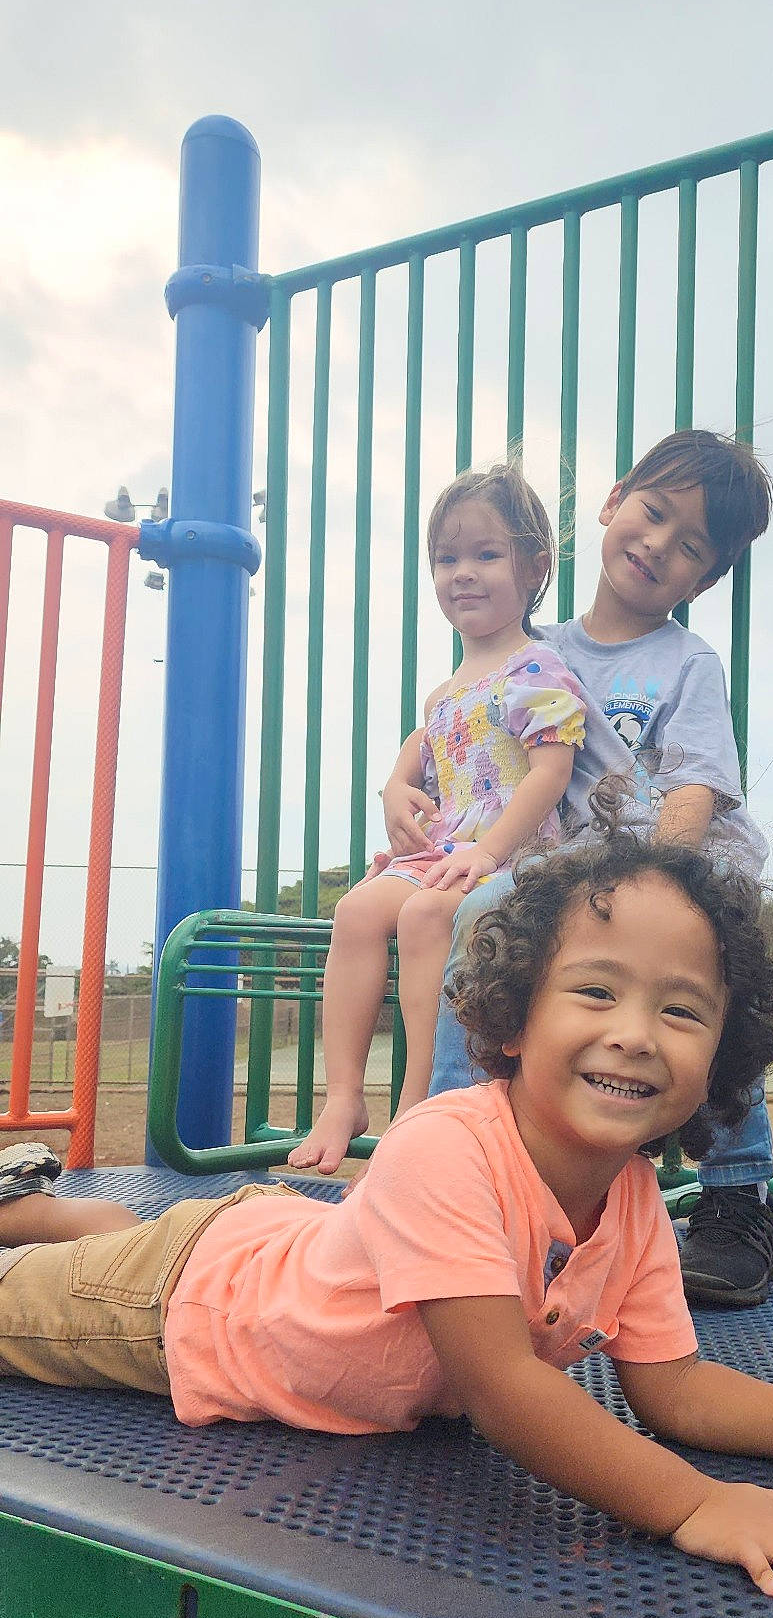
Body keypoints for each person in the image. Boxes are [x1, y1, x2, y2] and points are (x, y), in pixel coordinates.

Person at [0, 839, 773, 1599]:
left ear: (719, 1058)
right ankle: (41, 1222)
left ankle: (37, 1207)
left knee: (135, 1230)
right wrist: (693, 1502)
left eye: (682, 1011)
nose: (634, 1033)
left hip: (272, 1238)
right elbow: (502, 1388)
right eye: (595, 991)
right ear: (515, 1019)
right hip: (185, 1307)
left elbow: (676, 1391)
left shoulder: (632, 1201)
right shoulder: (444, 1149)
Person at [422, 428, 773, 1308]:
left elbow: (696, 783)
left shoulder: (683, 661)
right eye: (652, 513)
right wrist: (411, 800)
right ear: (615, 500)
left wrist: (663, 887)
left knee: (710, 983)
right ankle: (455, 1156)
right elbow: (469, 749)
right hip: (561, 879)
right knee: (473, 915)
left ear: (705, 579)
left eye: (689, 545)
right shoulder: (531, 649)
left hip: (671, 865)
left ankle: (737, 1194)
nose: (656, 544)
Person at [287, 462, 586, 1171]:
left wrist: (490, 851)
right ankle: (343, 1096)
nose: (463, 574)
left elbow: (551, 772)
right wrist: (394, 789)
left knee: (425, 916)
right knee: (356, 911)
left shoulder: (537, 669)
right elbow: (418, 756)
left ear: (534, 567)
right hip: (445, 852)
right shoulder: (446, 692)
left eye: (486, 554)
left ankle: (416, 1105)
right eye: (447, 559)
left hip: (512, 856)